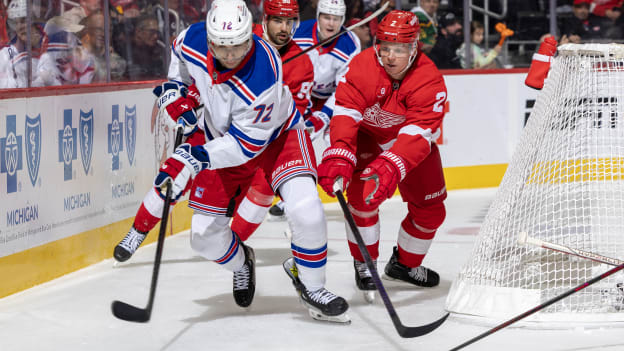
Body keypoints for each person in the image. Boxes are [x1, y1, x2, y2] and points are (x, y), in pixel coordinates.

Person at [114, 0, 349, 323]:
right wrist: (177, 91)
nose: (231, 56)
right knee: (204, 238)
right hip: (218, 136)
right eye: (223, 48)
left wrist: (201, 155)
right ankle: (242, 263)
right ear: (210, 41)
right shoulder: (191, 40)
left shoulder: (264, 72)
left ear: (249, 37)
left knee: (305, 208)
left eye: (238, 47)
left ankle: (313, 286)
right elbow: (180, 66)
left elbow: (246, 145)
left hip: (278, 136)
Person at [317, 10, 448, 296]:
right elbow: (346, 114)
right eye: (384, 47)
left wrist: (394, 163)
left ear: (414, 47)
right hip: (368, 138)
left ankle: (404, 264)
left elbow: (419, 132)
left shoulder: (429, 79)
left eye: (398, 49)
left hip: (408, 145)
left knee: (432, 210)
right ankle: (364, 262)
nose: (389, 56)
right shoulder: (362, 66)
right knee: (362, 200)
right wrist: (340, 150)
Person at [230, 0, 315, 243]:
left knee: (263, 189)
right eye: (278, 20)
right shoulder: (242, 38)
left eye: (289, 22)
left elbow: (294, 113)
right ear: (264, 20)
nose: (284, 28)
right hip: (231, 130)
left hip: (271, 138)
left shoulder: (302, 63)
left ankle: (234, 245)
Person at [0, 0, 47, 88]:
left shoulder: (47, 46)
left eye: (23, 20)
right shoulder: (4, 55)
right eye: (15, 23)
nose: (19, 27)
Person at [79, 11, 127, 81]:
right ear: (86, 30)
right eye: (98, 29)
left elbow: (120, 69)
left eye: (108, 31)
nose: (103, 34)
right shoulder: (75, 55)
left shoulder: (109, 55)